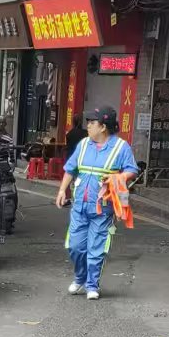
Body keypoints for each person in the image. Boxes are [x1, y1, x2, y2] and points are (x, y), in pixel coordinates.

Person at [54, 105, 137, 298]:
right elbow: (70, 169)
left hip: (103, 207)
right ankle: (80, 278)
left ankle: (92, 285)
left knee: (96, 248)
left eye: (92, 123)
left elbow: (132, 170)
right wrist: (61, 190)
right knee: (75, 246)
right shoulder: (83, 145)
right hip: (79, 205)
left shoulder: (120, 147)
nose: (88, 126)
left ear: (103, 127)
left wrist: (119, 177)